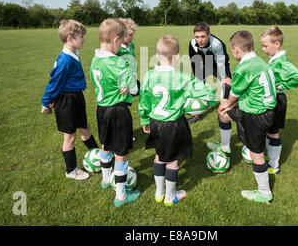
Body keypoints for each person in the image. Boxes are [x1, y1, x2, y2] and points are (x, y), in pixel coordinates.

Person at [139, 35, 217, 206]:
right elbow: (209, 94)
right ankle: (170, 196)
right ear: (176, 56)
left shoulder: (148, 76)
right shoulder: (183, 78)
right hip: (173, 125)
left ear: (158, 56)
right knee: (173, 160)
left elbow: (143, 101)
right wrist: (204, 105)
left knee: (159, 156)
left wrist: (145, 120)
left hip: (156, 122)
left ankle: (159, 192)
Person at [218, 30, 276, 204]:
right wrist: (228, 108)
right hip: (266, 111)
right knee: (224, 116)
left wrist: (226, 103)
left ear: (236, 50)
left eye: (231, 50)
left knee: (256, 155)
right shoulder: (259, 61)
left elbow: (234, 95)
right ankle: (225, 147)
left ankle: (265, 193)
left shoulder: (244, 67)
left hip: (255, 115)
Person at [90, 18, 141, 207]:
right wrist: (128, 87)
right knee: (120, 153)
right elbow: (134, 90)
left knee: (106, 144)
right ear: (116, 38)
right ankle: (121, 195)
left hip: (101, 109)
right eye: (121, 42)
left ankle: (105, 180)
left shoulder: (95, 60)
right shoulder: (119, 64)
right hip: (118, 111)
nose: (122, 46)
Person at [41, 19, 99, 181]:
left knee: (85, 128)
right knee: (70, 137)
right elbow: (54, 83)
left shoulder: (73, 54)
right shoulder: (65, 60)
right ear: (70, 38)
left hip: (76, 97)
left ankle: (99, 157)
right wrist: (46, 102)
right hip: (67, 102)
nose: (84, 39)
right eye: (81, 36)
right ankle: (71, 170)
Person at [259, 26, 298, 174]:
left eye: (265, 46)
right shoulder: (274, 59)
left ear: (277, 44)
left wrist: (281, 85)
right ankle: (269, 155)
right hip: (270, 99)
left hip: (278, 101)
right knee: (268, 130)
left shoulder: (281, 61)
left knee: (273, 132)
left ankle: (274, 165)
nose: (263, 49)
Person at [189, 22, 233, 154]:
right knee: (197, 86)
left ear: (209, 34)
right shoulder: (192, 43)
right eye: (197, 37)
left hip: (219, 63)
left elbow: (221, 62)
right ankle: (197, 114)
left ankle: (225, 109)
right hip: (203, 63)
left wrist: (224, 77)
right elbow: (194, 61)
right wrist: (199, 81)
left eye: (203, 36)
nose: (199, 40)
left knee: (226, 84)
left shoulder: (217, 44)